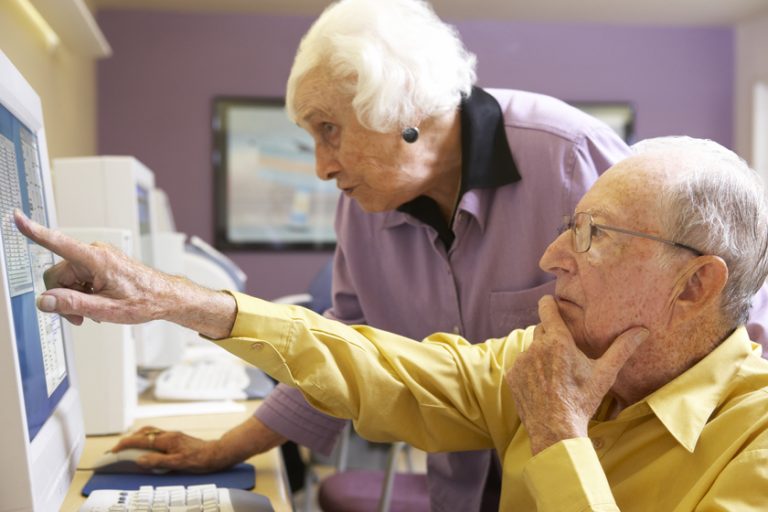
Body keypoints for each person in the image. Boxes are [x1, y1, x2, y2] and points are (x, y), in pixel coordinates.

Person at [15, 136, 768, 510]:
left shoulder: (755, 445)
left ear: (696, 284)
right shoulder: (556, 362)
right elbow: (388, 369)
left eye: (595, 236)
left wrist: (562, 438)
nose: (552, 255)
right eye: (571, 227)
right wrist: (182, 300)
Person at [118, 0, 636, 509]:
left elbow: (666, 336)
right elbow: (340, 353)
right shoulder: (364, 209)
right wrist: (221, 450)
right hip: (460, 490)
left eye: (330, 130)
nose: (321, 167)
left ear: (404, 111)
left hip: (593, 487)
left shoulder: (573, 157)